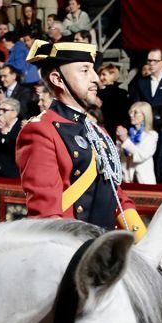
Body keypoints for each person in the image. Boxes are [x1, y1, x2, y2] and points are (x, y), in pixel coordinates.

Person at [15, 40, 145, 237]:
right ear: (58, 79)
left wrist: (141, 236)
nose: (96, 79)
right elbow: (46, 216)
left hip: (104, 245)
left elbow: (113, 192)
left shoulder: (97, 130)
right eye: (85, 70)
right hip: (71, 250)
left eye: (94, 70)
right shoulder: (40, 131)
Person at [129, 49, 162, 122]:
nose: (151, 63)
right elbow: (136, 104)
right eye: (149, 60)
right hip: (146, 124)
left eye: (155, 61)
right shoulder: (141, 82)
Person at [115, 102, 159, 184]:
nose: (131, 115)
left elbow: (141, 155)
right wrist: (119, 141)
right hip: (126, 180)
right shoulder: (128, 134)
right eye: (131, 112)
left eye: (135, 112)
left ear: (144, 116)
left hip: (144, 182)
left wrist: (125, 140)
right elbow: (117, 156)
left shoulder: (151, 135)